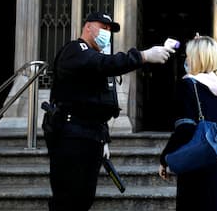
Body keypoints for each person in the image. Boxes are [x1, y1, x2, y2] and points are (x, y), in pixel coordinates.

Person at [42, 11, 175, 211]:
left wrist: (103, 139)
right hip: (71, 137)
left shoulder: (95, 59)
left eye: (110, 30)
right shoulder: (76, 50)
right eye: (103, 27)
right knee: (67, 199)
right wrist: (143, 56)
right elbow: (104, 64)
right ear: (88, 27)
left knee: (84, 198)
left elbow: (97, 104)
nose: (107, 33)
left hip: (91, 137)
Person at [158, 35, 217, 211]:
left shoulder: (187, 85)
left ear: (197, 57)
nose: (187, 59)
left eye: (189, 55)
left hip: (196, 159)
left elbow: (185, 128)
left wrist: (165, 158)